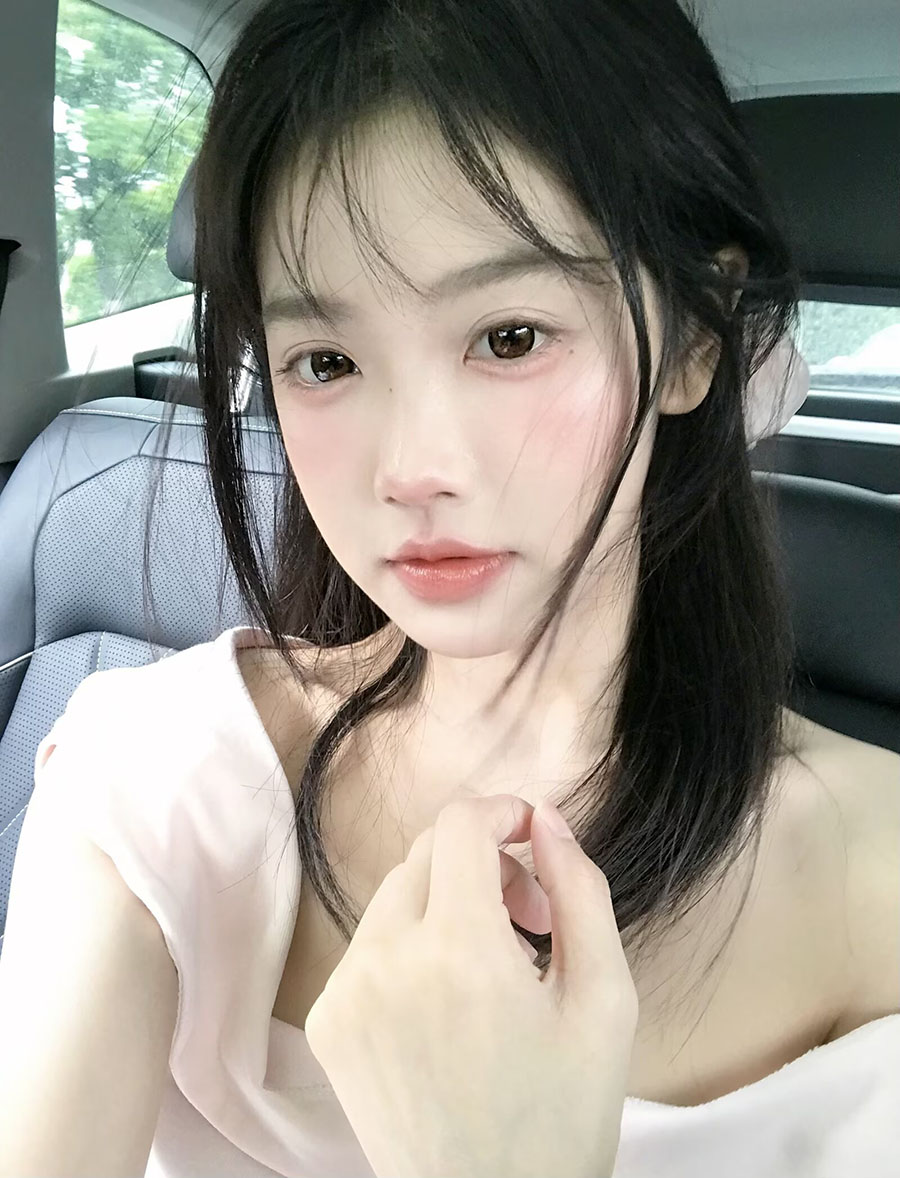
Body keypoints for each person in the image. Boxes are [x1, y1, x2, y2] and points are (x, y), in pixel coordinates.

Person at [2, 1, 897, 1176]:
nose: (412, 469)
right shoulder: (148, 775)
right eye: (326, 360)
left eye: (510, 337)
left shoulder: (877, 868)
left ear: (692, 340)